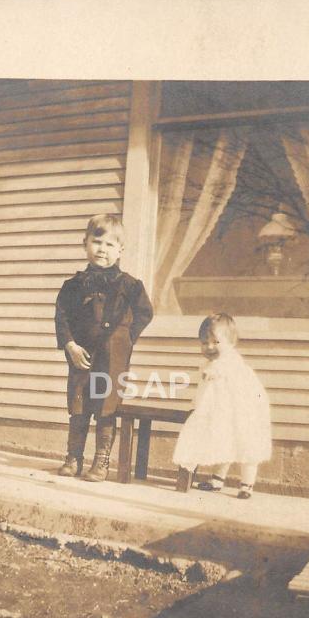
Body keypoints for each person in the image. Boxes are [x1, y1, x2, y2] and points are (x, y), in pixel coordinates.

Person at [55, 214, 153, 482]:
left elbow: (145, 313)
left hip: (113, 356)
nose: (102, 249)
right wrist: (70, 345)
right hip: (82, 355)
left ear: (120, 250)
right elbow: (62, 317)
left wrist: (124, 339)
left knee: (106, 404)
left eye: (110, 245)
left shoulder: (130, 286)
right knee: (79, 402)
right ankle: (73, 458)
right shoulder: (73, 286)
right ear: (85, 243)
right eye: (97, 242)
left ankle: (101, 462)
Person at [173, 313, 272, 499]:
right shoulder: (208, 364)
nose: (209, 347)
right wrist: (198, 405)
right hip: (223, 410)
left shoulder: (231, 361)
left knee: (245, 442)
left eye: (216, 342)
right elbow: (205, 390)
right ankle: (218, 479)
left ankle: (247, 485)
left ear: (231, 342)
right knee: (225, 440)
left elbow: (225, 371)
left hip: (244, 411)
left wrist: (214, 371)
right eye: (204, 342)